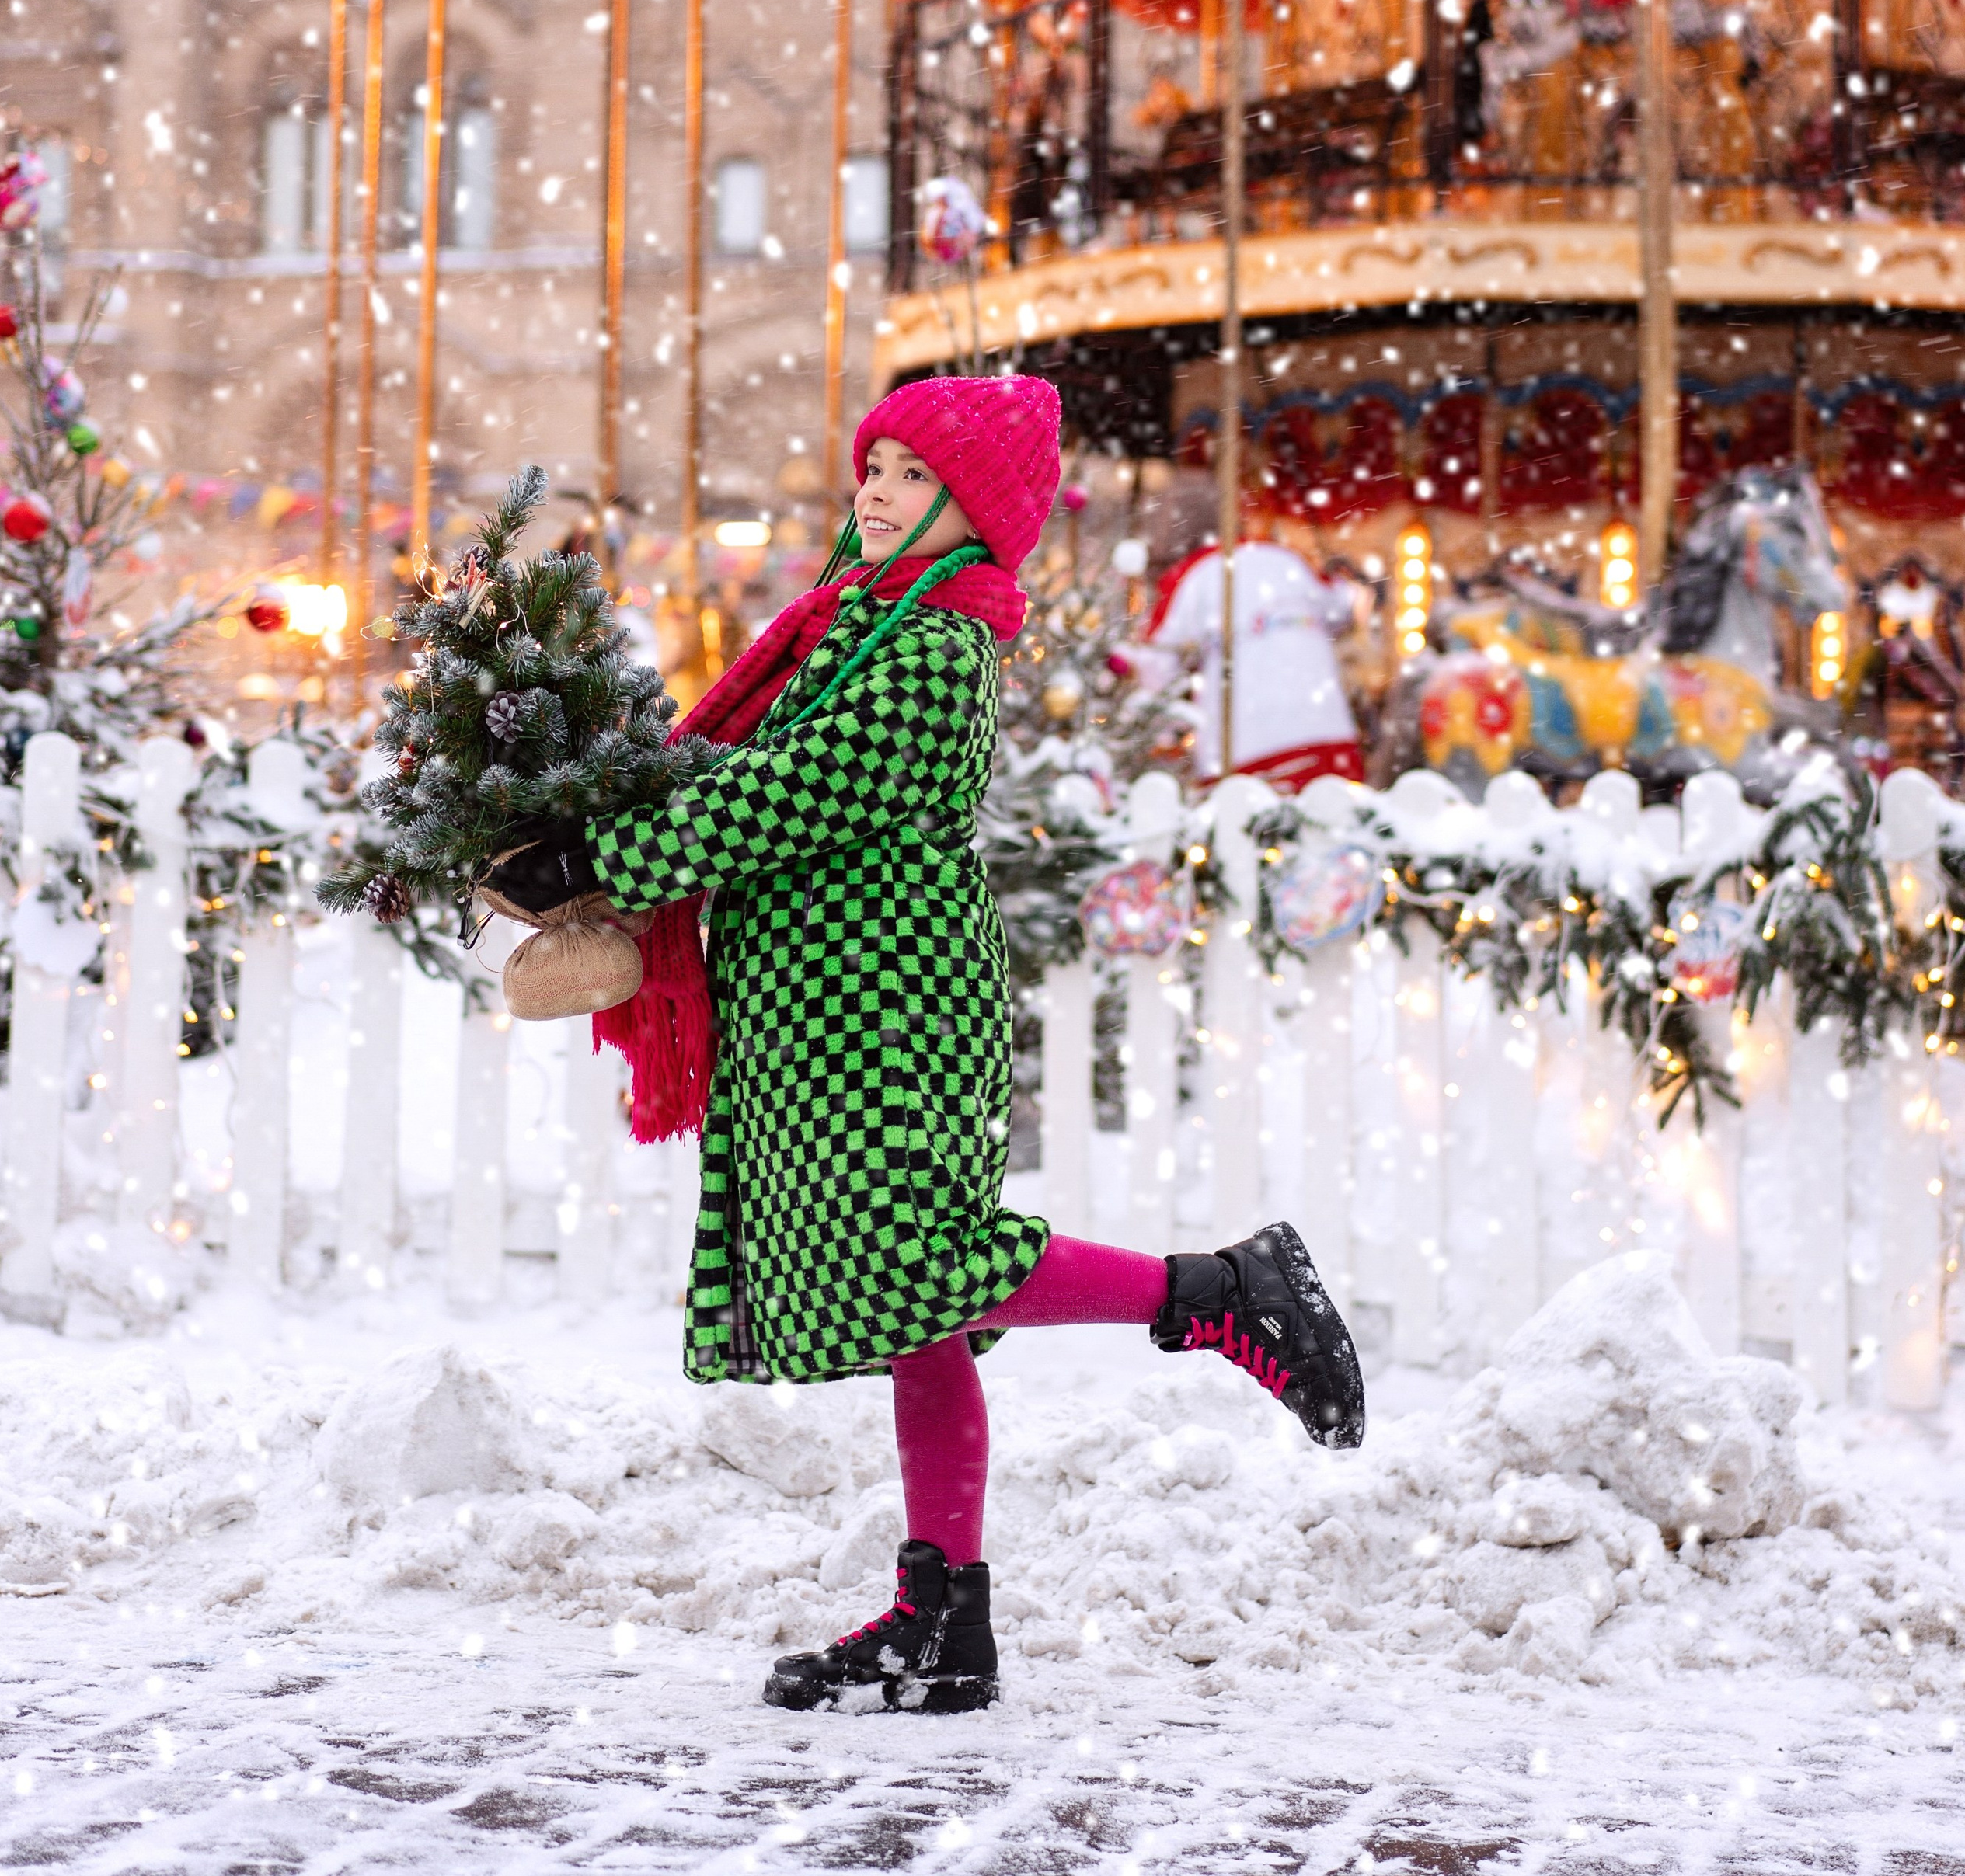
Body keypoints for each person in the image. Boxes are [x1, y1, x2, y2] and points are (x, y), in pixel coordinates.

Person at [489, 374, 1364, 1714]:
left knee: (920, 1268)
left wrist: (602, 854)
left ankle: (1222, 1291)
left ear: (974, 508)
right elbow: (734, 772)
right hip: (809, 1005)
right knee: (918, 1324)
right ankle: (940, 1617)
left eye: (911, 476)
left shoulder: (939, 648)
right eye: (874, 468)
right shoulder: (848, 624)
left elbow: (795, 795)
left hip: (886, 1007)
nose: (878, 496)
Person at [1147, 531, 1364, 789]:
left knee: (1240, 817)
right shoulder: (1289, 558)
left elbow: (1155, 657)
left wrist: (1168, 732)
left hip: (1240, 742)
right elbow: (1340, 606)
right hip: (1325, 730)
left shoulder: (1189, 577)